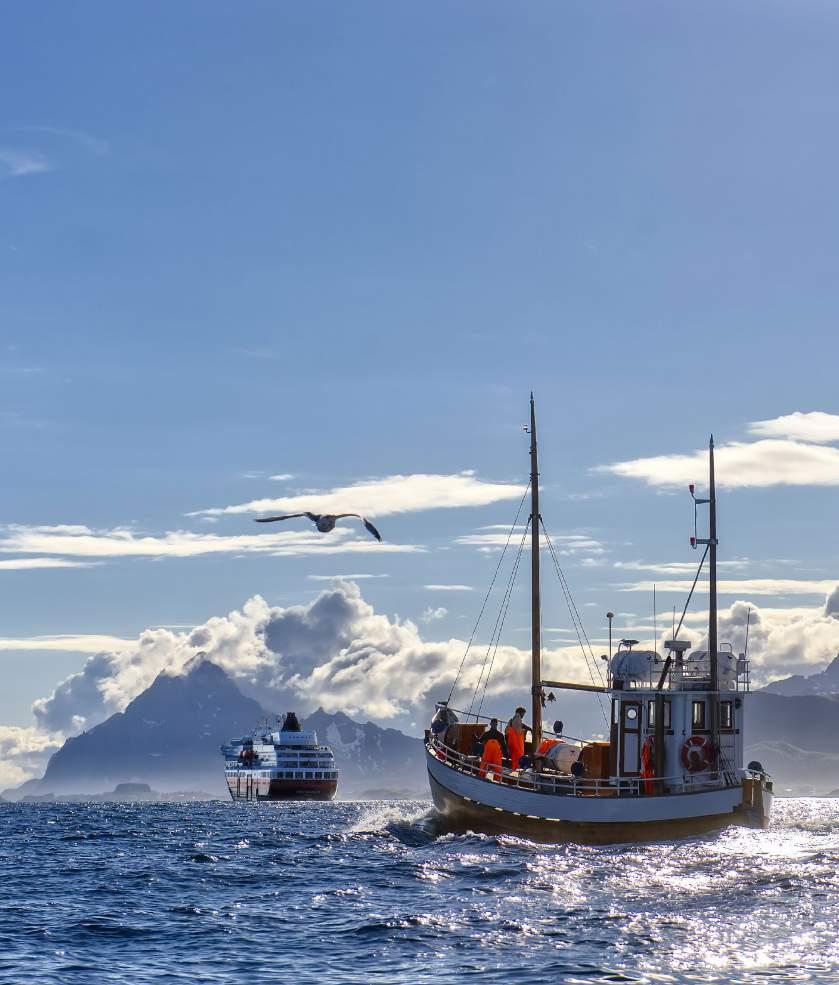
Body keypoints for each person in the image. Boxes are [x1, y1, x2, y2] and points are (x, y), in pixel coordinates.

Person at [505, 706, 531, 771]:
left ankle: (515, 769)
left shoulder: (512, 720)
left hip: (512, 741)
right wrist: (528, 729)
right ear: (520, 712)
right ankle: (516, 771)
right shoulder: (517, 718)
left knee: (515, 758)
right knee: (518, 758)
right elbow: (519, 729)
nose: (523, 716)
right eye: (523, 714)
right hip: (516, 743)